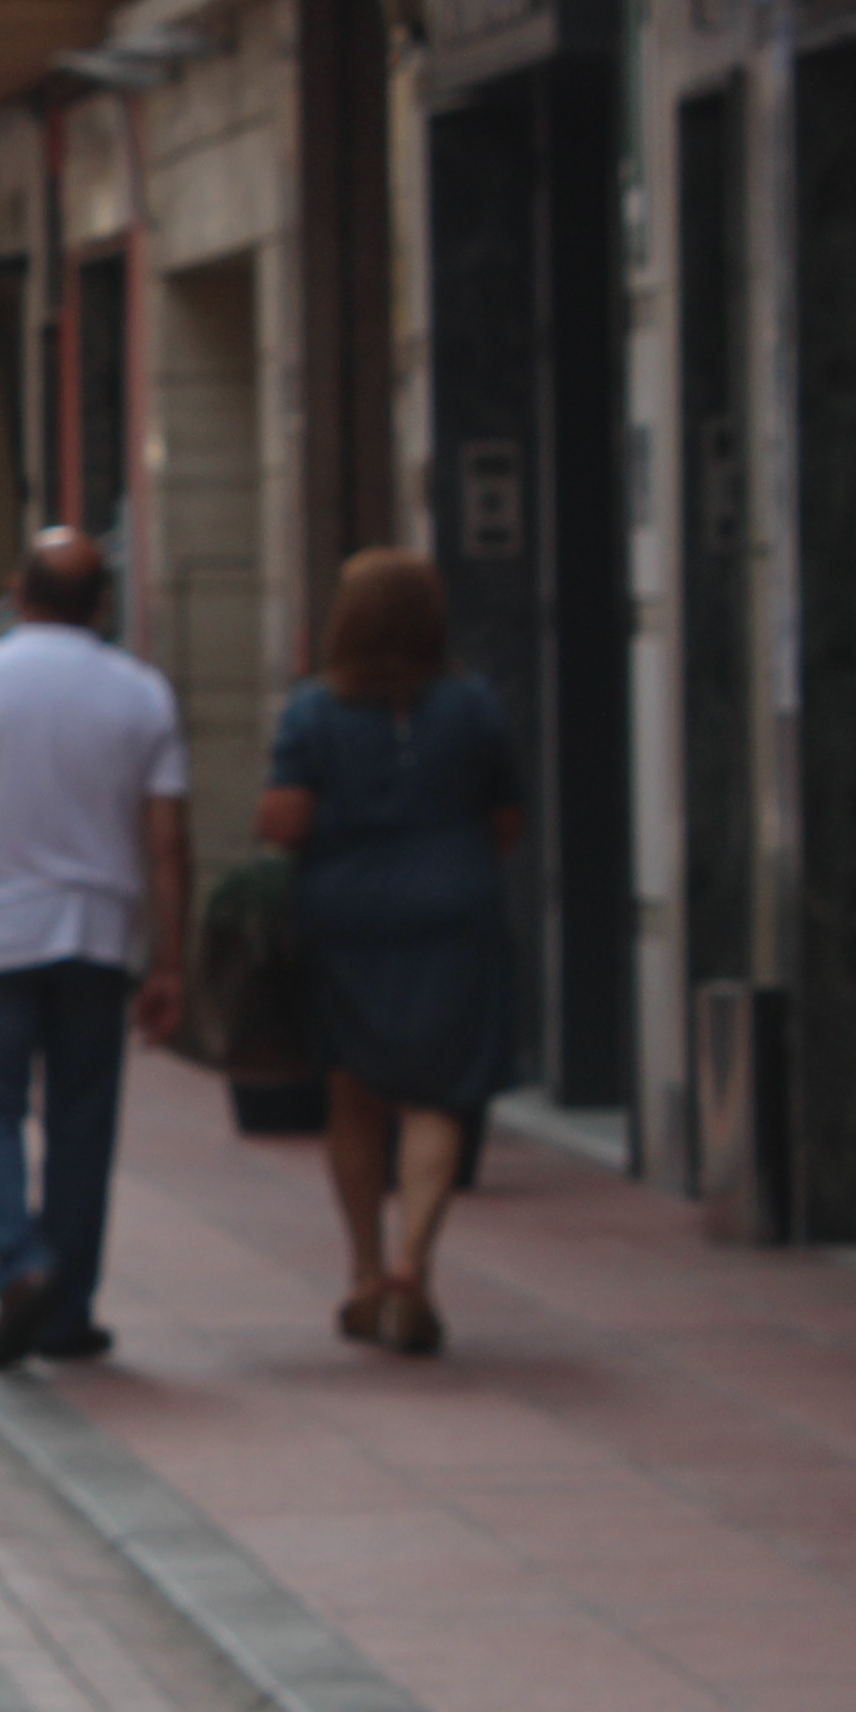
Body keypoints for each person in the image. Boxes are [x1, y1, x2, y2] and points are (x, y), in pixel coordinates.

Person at [0, 531, 193, 1374]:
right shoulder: (142, 694)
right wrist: (170, 961)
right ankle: (67, 1312)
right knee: (81, 1124)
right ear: (103, 605)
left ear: (18, 593)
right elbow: (169, 841)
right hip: (97, 936)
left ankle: (21, 1261)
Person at [261, 550, 524, 1360]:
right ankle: (416, 1262)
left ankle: (366, 1273)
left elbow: (286, 820)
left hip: (348, 913)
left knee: (355, 1092)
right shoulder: (474, 707)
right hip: (454, 905)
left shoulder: (313, 712)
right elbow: (507, 820)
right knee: (439, 1095)